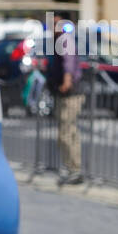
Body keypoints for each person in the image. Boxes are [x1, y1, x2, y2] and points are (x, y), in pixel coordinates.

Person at [46, 14, 83, 185]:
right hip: (65, 94)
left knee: (66, 133)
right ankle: (73, 168)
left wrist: (66, 82)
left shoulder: (64, 40)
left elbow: (68, 63)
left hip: (70, 94)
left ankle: (74, 170)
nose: (54, 26)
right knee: (68, 132)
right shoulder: (57, 41)